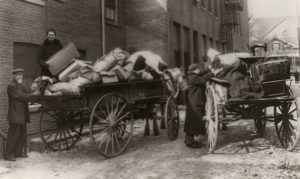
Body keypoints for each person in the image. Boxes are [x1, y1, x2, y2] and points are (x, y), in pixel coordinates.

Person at [4, 69, 32, 161]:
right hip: (15, 114)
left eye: (21, 75)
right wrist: (32, 94)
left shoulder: (21, 85)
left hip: (22, 114)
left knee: (21, 134)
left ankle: (18, 153)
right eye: (18, 75)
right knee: (13, 134)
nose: (20, 76)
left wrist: (36, 88)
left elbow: (27, 92)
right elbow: (21, 96)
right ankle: (8, 154)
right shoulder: (12, 86)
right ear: (14, 76)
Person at [184, 63, 213, 148]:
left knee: (191, 121)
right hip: (195, 103)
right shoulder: (194, 78)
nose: (199, 70)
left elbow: (201, 73)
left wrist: (207, 69)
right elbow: (203, 79)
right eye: (198, 69)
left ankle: (188, 140)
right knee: (194, 120)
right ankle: (190, 142)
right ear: (195, 70)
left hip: (193, 102)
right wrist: (211, 73)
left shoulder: (190, 76)